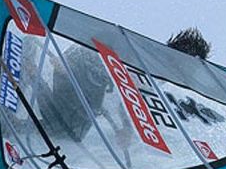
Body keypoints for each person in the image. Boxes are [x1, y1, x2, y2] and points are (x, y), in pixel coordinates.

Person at [36, 28, 212, 142]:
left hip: (90, 94)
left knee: (70, 136)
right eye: (188, 66)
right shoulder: (144, 52)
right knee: (64, 131)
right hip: (76, 72)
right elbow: (101, 38)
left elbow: (129, 101)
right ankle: (30, 71)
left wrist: (126, 129)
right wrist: (67, 63)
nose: (187, 73)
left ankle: (17, 127)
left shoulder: (160, 77)